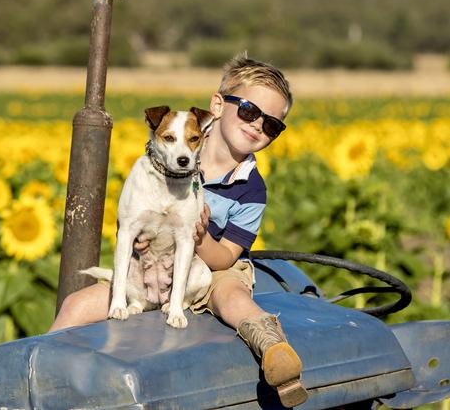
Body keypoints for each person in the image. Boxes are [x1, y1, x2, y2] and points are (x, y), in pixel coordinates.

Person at [49, 53, 307, 407]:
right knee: (78, 304)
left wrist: (198, 235)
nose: (257, 126)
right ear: (217, 105)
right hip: (149, 264)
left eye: (272, 125)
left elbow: (226, 256)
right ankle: (40, 368)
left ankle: (274, 349)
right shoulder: (176, 141)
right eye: (249, 111)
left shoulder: (252, 188)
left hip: (212, 268)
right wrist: (147, 237)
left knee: (232, 297)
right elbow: (133, 217)